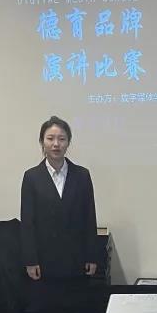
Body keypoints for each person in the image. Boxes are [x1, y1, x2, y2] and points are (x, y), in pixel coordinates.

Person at [20, 115, 101, 281]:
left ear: (68, 142)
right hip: (44, 261)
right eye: (50, 138)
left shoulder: (82, 175)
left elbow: (89, 217)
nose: (56, 144)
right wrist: (30, 260)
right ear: (42, 142)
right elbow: (27, 222)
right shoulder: (32, 177)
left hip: (77, 258)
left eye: (62, 139)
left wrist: (92, 256)